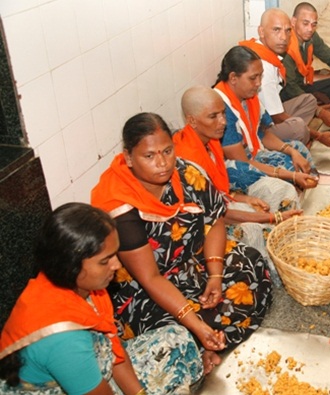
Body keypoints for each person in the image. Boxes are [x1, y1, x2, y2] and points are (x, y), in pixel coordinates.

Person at [91, 112, 272, 374]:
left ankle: (207, 342)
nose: (162, 163)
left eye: (167, 151)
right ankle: (202, 339)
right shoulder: (121, 206)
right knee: (177, 333)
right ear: (129, 158)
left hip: (191, 264)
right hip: (146, 291)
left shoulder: (186, 173)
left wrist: (215, 275)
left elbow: (215, 221)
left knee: (253, 263)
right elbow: (151, 278)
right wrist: (196, 324)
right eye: (149, 156)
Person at [0, 203, 202, 394]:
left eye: (114, 255)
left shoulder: (81, 285)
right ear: (72, 264)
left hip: (91, 369)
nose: (117, 266)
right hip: (79, 383)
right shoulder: (63, 341)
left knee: (176, 338)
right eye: (105, 261)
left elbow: (114, 349)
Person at [174, 85, 303, 285]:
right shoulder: (187, 162)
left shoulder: (210, 139)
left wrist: (245, 198)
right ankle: (269, 278)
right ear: (191, 121)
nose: (223, 122)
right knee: (251, 229)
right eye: (213, 116)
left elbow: (221, 190)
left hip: (224, 202)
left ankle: (289, 253)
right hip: (207, 225)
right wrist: (270, 217)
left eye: (223, 114)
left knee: (281, 190)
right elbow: (215, 214)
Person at [214, 46, 319, 192]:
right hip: (238, 167)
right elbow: (242, 162)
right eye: (253, 78)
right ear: (233, 78)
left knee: (299, 150)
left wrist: (291, 151)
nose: (258, 83)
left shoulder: (249, 96)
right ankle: (288, 196)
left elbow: (262, 133)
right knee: (288, 171)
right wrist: (288, 175)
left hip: (255, 153)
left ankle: (300, 189)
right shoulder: (220, 108)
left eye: (260, 76)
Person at [240, 8, 330, 146]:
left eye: (287, 31)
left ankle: (300, 135)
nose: (284, 37)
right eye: (276, 30)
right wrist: (319, 136)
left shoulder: (267, 53)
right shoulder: (263, 67)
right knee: (298, 126)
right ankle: (292, 139)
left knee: (309, 100)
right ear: (261, 32)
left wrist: (318, 111)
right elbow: (277, 117)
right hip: (257, 128)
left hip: (266, 113)